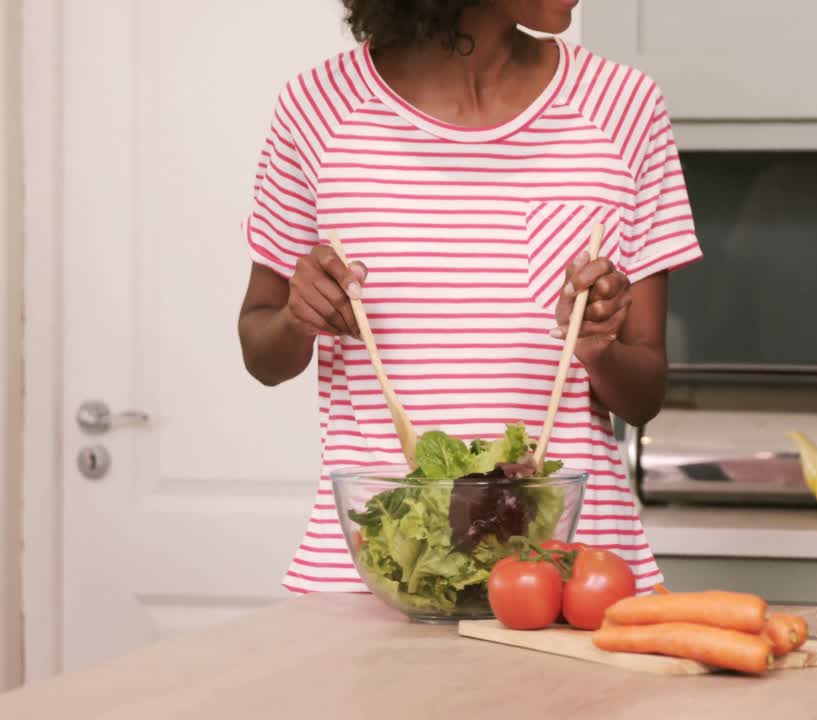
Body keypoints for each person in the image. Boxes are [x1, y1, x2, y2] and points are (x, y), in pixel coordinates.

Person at [236, 0, 701, 595]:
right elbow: (260, 351)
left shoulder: (623, 107)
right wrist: (300, 318)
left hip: (573, 579)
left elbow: (645, 397)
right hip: (376, 581)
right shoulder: (317, 110)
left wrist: (596, 348)